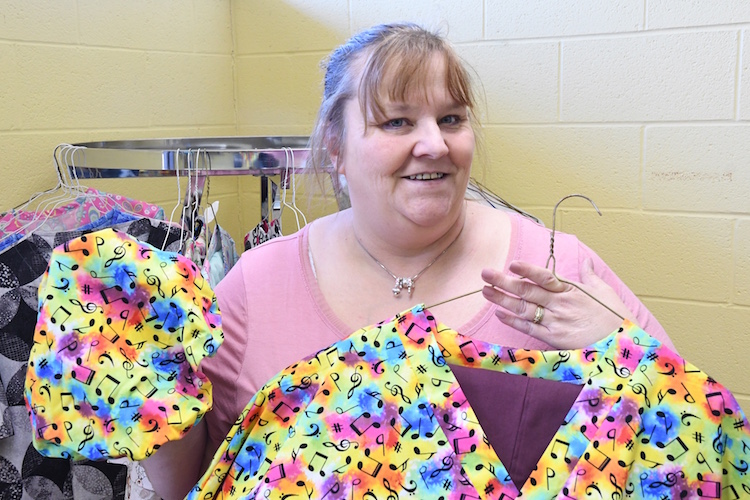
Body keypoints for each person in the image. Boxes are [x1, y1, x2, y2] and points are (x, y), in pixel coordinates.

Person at [143, 23, 676, 499]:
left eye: (451, 118)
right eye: (397, 122)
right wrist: (154, 389)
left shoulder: (555, 270)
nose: (434, 144)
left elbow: (687, 446)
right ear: (336, 145)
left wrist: (629, 348)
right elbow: (191, 485)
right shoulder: (256, 286)